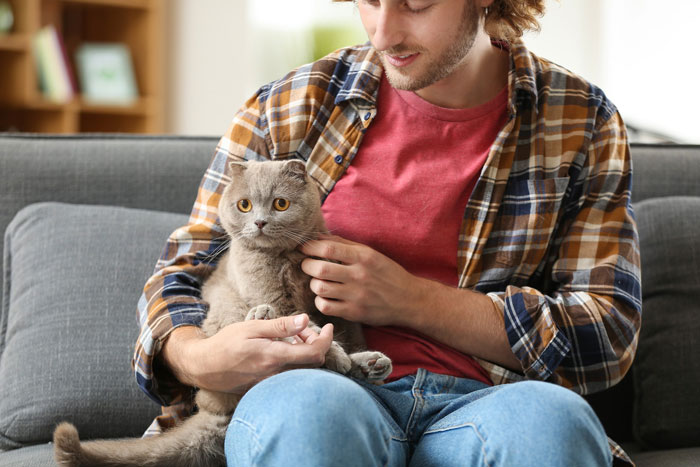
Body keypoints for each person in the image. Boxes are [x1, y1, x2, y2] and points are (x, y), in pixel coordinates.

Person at [134, 0, 641, 465]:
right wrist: (201, 359)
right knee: (305, 412)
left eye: (416, 3)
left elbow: (606, 332)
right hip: (323, 387)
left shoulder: (581, 119)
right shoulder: (288, 103)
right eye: (369, 1)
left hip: (490, 399)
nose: (384, 33)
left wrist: (411, 300)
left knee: (552, 426)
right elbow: (179, 274)